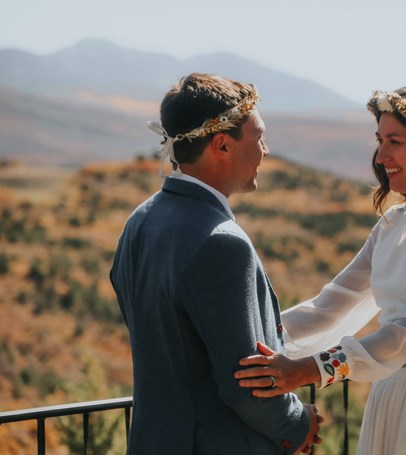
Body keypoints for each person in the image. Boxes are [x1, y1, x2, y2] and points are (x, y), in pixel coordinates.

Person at [235, 83, 406, 454]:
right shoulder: (394, 222)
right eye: (380, 139)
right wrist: (249, 340)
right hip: (387, 399)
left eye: (395, 141)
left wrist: (309, 369)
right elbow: (332, 305)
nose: (380, 155)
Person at [110, 73, 322, 455]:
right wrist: (297, 424)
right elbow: (246, 379)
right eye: (258, 138)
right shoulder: (221, 241)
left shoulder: (139, 222)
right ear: (222, 144)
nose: (266, 151)